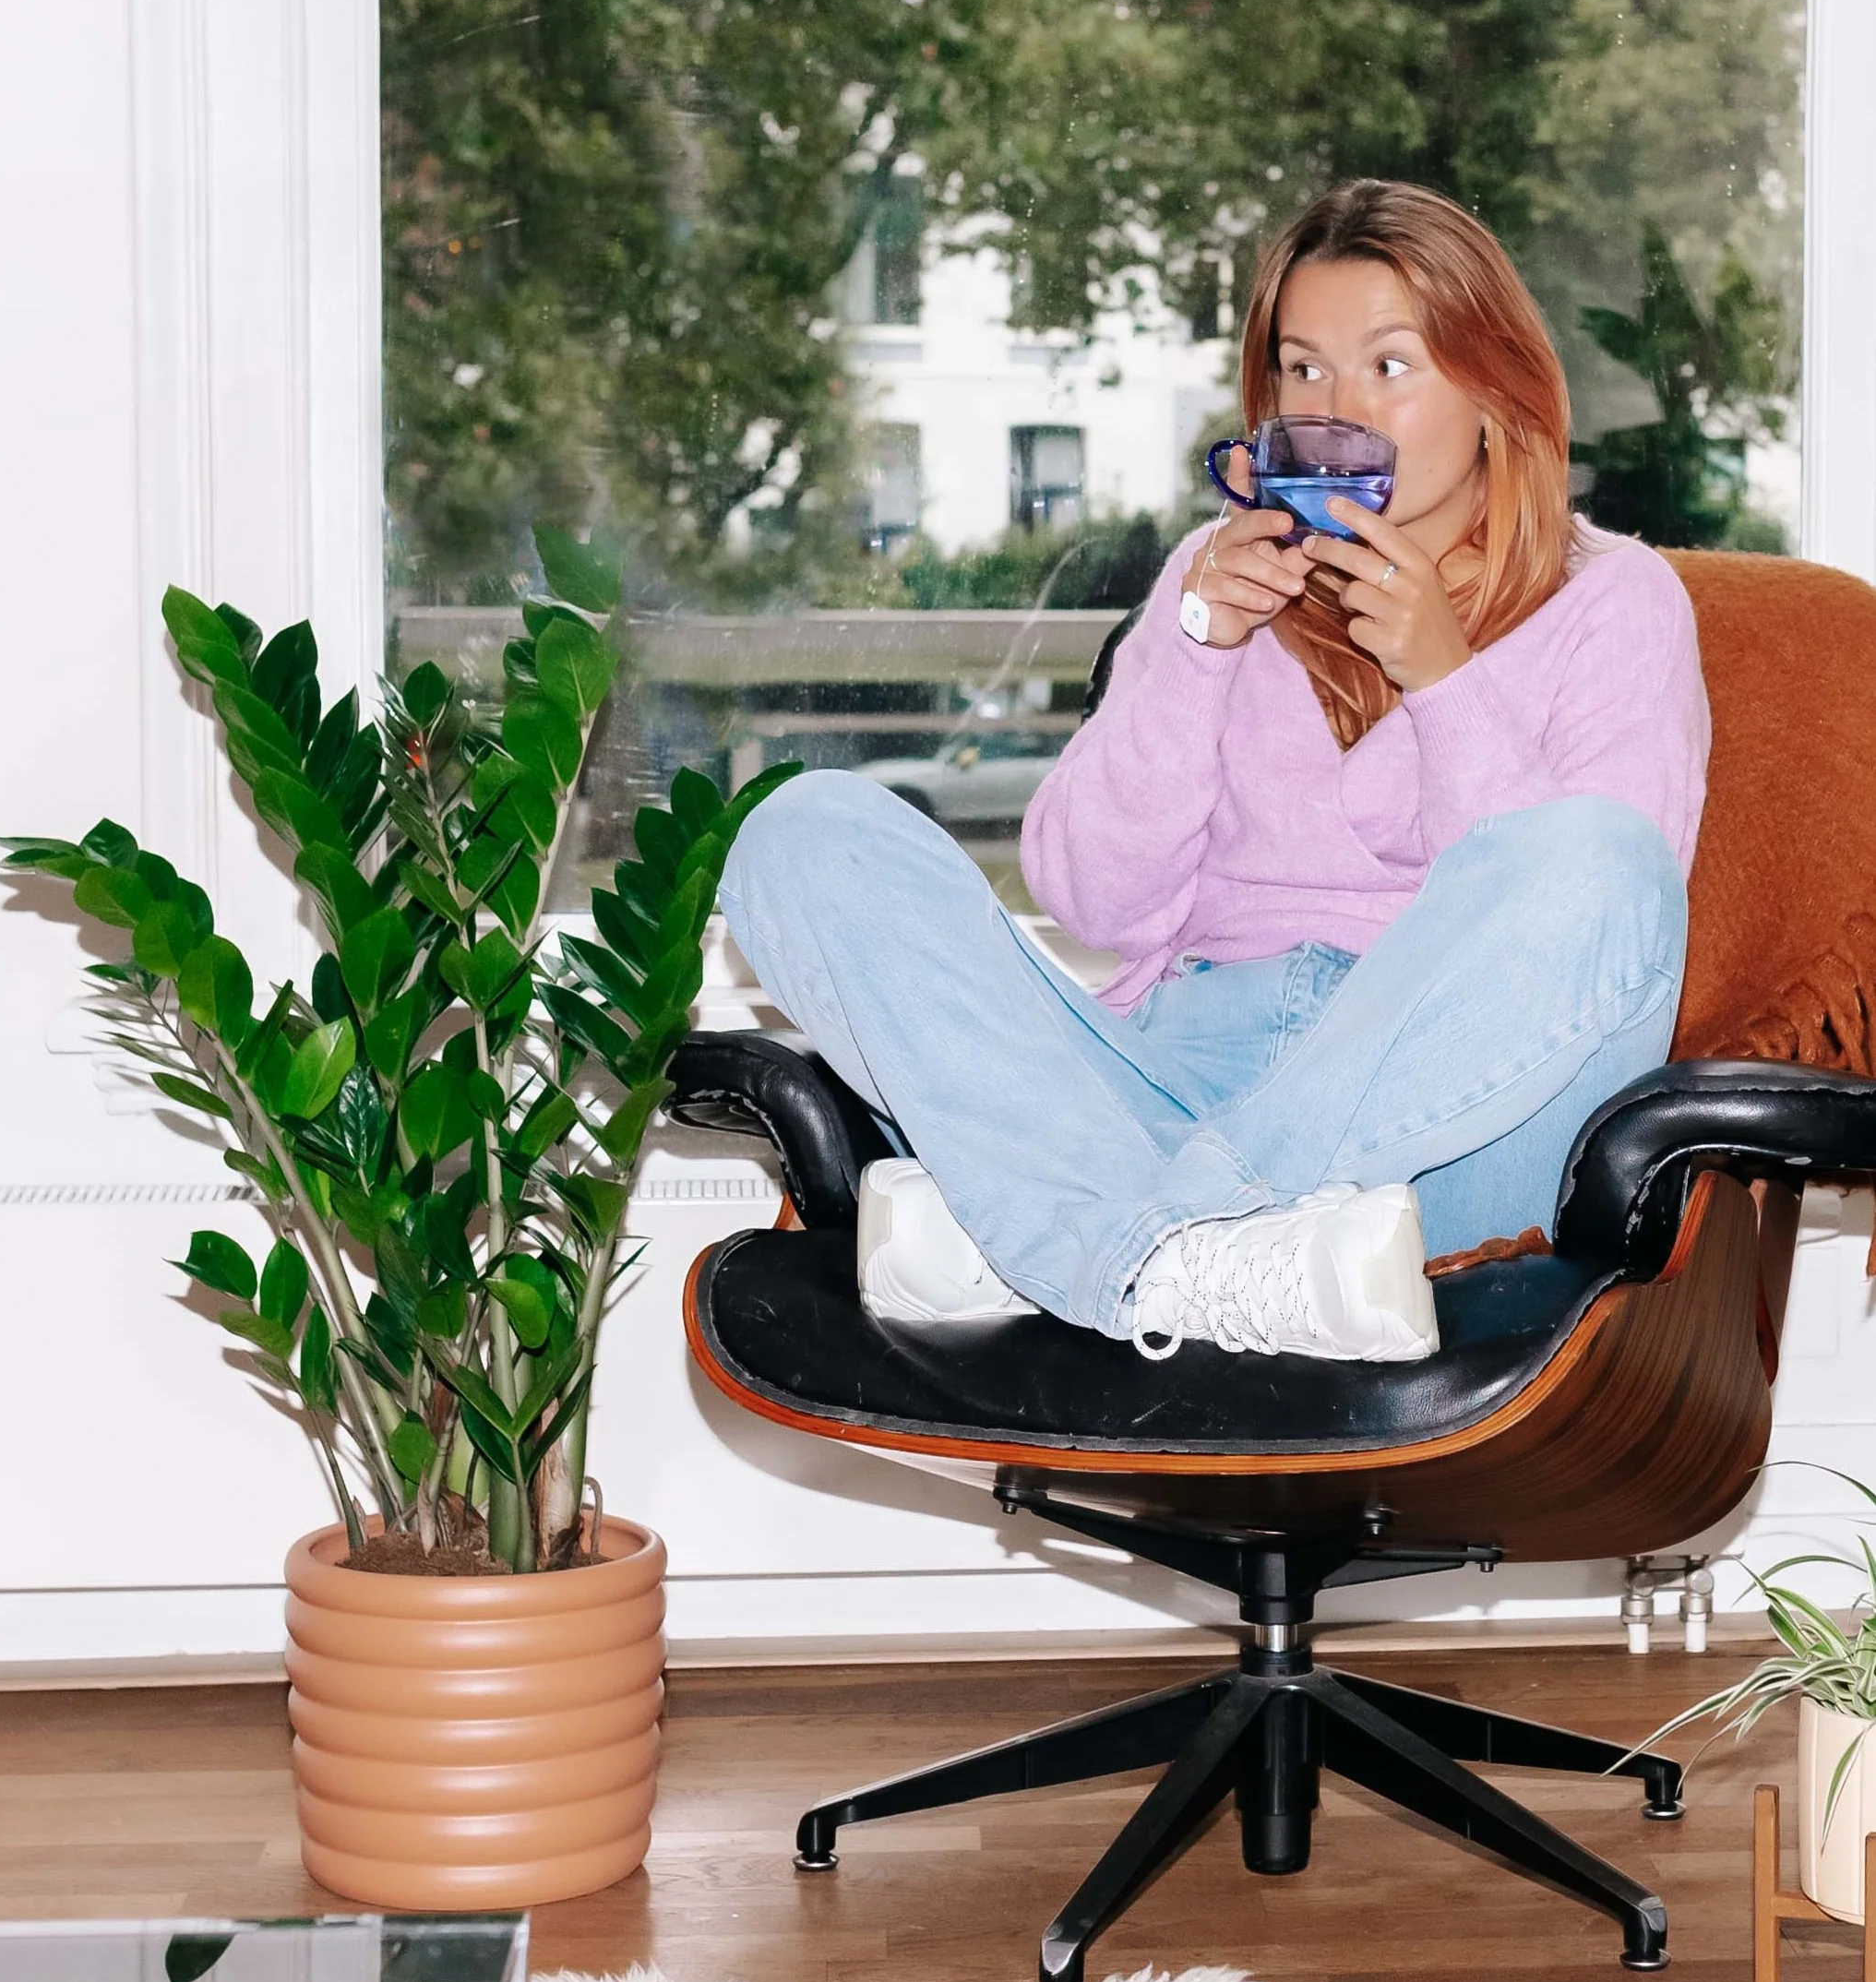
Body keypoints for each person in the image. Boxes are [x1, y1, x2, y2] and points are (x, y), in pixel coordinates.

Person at [718, 180, 1710, 1362]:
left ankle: (1070, 1239)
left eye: (1389, 365)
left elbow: (1595, 938)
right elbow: (1094, 899)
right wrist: (1197, 650)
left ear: (1495, 389)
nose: (1336, 411)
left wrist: (1444, 681)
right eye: (1302, 369)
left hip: (1435, 1136)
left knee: (1602, 856)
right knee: (800, 830)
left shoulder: (1613, 602)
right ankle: (1181, 1254)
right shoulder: (1218, 571)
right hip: (1171, 1080)